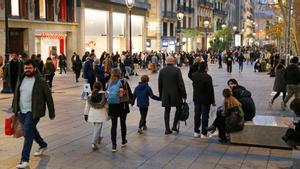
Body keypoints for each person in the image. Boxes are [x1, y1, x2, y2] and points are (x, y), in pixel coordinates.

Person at [12, 59, 55, 169]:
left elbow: (48, 97)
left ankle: (24, 160)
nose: (27, 70)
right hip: (22, 111)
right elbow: (17, 94)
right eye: (26, 68)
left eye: (30, 68)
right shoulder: (21, 78)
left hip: (34, 111)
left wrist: (51, 112)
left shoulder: (41, 80)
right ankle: (43, 145)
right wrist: (15, 108)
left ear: (34, 68)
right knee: (31, 131)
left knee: (28, 134)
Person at [158, 56, 187, 135]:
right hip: (176, 94)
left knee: (167, 111)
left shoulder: (162, 71)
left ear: (166, 62)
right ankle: (174, 126)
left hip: (165, 94)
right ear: (173, 62)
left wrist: (161, 95)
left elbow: (160, 84)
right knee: (178, 109)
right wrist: (184, 94)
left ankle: (167, 129)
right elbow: (181, 83)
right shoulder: (177, 70)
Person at [107, 68, 133, 152]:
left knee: (113, 126)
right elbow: (130, 93)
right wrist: (131, 101)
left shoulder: (109, 82)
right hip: (122, 105)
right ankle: (123, 140)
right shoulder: (123, 82)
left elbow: (107, 93)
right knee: (123, 123)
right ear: (120, 73)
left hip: (112, 105)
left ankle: (114, 146)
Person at [191, 62, 216, 138]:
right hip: (205, 99)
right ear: (205, 67)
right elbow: (210, 90)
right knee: (205, 116)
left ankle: (196, 131)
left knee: (197, 115)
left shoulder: (194, 75)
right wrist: (213, 101)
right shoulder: (207, 77)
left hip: (196, 98)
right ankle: (204, 133)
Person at [83, 82, 108, 150]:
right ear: (101, 87)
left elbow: (87, 106)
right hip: (101, 113)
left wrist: (86, 114)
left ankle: (99, 137)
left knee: (97, 126)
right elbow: (106, 105)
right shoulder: (104, 94)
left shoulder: (90, 95)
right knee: (98, 127)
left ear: (93, 87)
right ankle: (93, 143)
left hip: (92, 114)